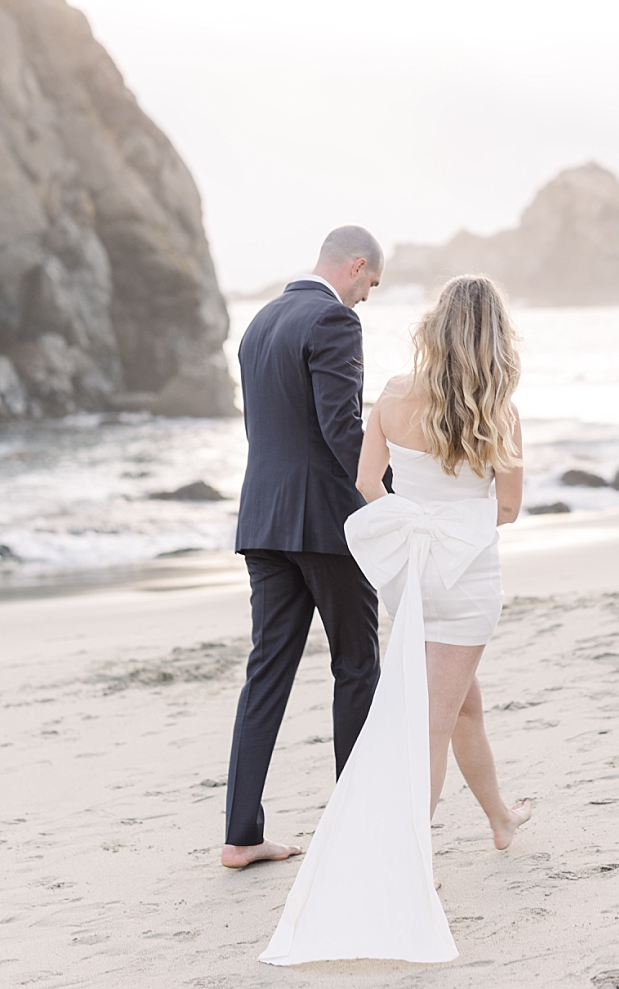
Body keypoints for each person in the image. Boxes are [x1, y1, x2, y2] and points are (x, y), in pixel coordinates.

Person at [259, 274, 533, 965]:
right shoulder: (499, 409)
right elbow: (508, 510)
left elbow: (362, 481)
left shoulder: (393, 394)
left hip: (412, 572)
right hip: (467, 575)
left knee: (458, 703)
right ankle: (414, 861)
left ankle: (500, 818)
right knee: (435, 717)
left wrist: (416, 513)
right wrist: (460, 514)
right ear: (495, 337)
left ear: (435, 328)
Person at [223, 226, 384, 869]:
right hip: (325, 524)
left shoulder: (258, 324)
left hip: (263, 520)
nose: (366, 298)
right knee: (357, 664)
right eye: (370, 284)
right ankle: (357, 825)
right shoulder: (333, 321)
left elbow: (269, 429)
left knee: (267, 672)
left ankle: (240, 835)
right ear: (355, 265)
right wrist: (388, 499)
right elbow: (341, 427)